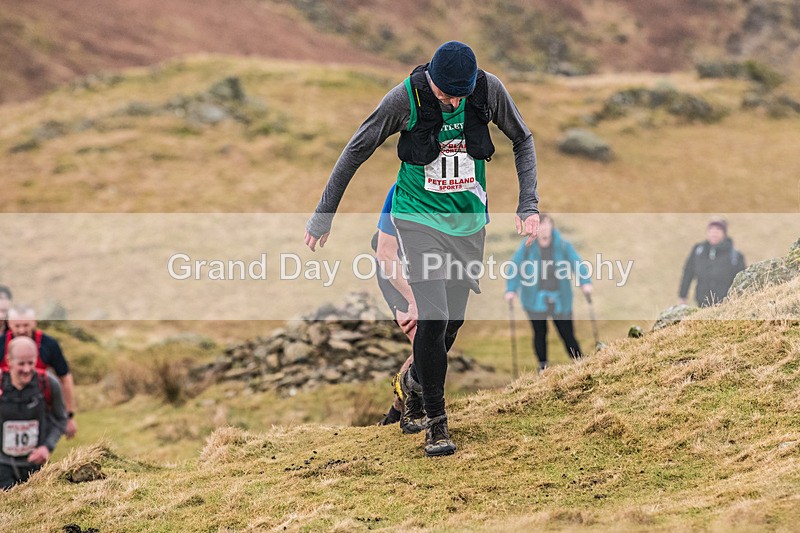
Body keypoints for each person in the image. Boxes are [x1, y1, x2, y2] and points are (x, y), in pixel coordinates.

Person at [305, 41, 539, 456]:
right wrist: (324, 214)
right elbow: (357, 149)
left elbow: (523, 139)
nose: (455, 103)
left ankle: (412, 384)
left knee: (452, 323)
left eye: (461, 96)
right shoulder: (404, 99)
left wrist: (528, 204)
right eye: (447, 95)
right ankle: (436, 423)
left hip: (468, 223)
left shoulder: (488, 90)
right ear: (432, 80)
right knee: (434, 317)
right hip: (418, 219)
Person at [505, 214, 592, 372]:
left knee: (567, 333)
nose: (544, 229)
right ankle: (543, 367)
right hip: (534, 300)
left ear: (552, 227)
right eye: (541, 225)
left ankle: (581, 364)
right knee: (539, 333)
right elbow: (514, 267)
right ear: (536, 228)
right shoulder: (527, 247)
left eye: (547, 225)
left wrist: (585, 283)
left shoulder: (563, 245)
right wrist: (511, 290)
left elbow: (577, 263)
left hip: (561, 298)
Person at [371, 184, 420, 432]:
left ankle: (396, 410)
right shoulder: (402, 189)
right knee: (423, 347)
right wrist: (403, 305)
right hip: (399, 288)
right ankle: (406, 411)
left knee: (433, 348)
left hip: (421, 283)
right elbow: (382, 255)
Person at [0, 336, 68, 490]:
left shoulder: (48, 383)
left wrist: (46, 447)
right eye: (21, 364)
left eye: (31, 363)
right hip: (2, 466)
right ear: (9, 361)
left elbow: (60, 419)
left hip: (36, 468)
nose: (27, 369)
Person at [1, 305, 78, 439]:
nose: (21, 330)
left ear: (34, 322)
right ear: (9, 323)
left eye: (26, 325)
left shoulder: (49, 344)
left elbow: (65, 378)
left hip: (40, 410)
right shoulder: (1, 344)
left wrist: (68, 415)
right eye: (17, 326)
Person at [679, 218, 746, 307]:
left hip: (726, 305)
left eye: (718, 230)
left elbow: (742, 280)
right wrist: (682, 295)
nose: (714, 233)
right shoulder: (698, 251)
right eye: (711, 230)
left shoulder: (735, 256)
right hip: (701, 303)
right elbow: (688, 273)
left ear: (724, 233)